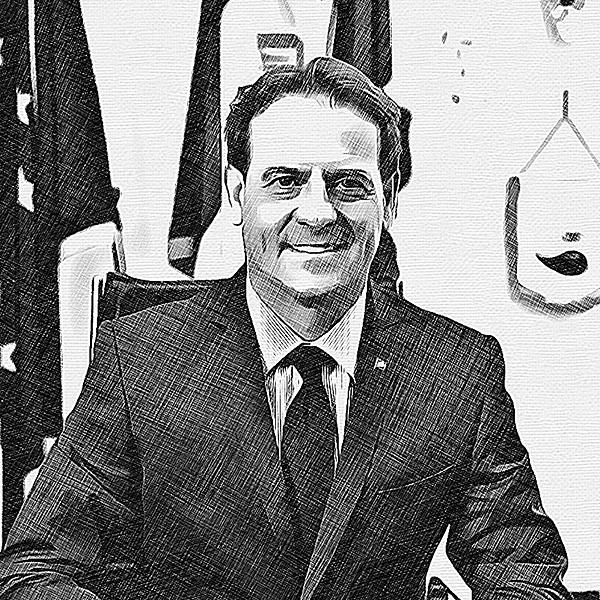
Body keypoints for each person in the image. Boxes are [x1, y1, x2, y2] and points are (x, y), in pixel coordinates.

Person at [0, 57, 571, 600]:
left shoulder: (458, 371)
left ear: (390, 199)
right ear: (236, 195)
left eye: (348, 184)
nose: (318, 212)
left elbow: (526, 573)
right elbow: (38, 568)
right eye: (285, 181)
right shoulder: (141, 359)